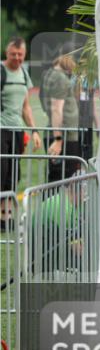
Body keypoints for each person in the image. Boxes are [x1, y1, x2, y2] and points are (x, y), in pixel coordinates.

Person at [1, 38, 42, 218]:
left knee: (13, 174)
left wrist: (34, 131)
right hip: (1, 129)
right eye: (13, 54)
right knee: (1, 173)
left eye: (20, 54)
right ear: (6, 53)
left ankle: (6, 216)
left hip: (17, 130)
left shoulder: (24, 74)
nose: (17, 58)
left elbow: (26, 107)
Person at [41, 53, 83, 183]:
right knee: (63, 179)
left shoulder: (49, 75)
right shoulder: (60, 79)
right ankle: (57, 204)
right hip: (64, 137)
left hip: (61, 134)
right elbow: (56, 109)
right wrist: (58, 139)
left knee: (57, 177)